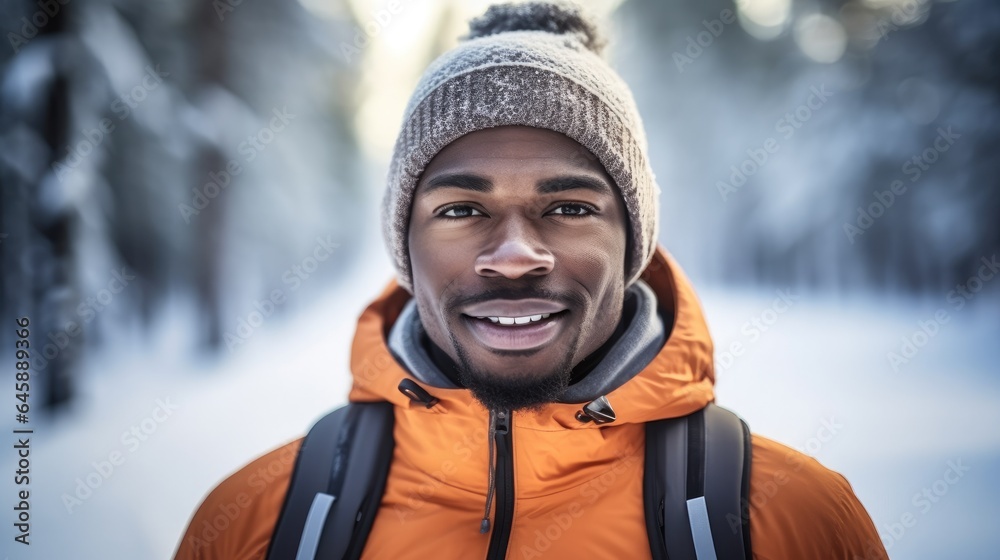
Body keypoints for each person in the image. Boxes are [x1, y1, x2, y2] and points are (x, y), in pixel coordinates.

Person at [174, 2, 888, 559]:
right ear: (404, 245)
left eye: (570, 207)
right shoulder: (255, 524)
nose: (515, 255)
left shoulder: (791, 520)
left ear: (632, 242)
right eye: (461, 209)